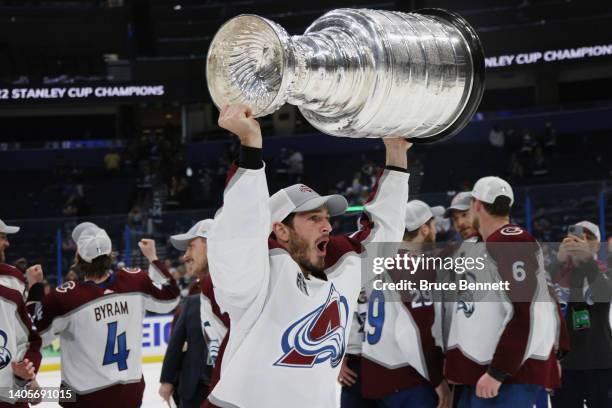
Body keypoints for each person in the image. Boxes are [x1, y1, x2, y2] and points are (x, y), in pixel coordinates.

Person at [205, 104, 410, 408]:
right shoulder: (256, 278)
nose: (327, 226)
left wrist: (396, 152)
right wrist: (250, 147)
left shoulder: (343, 266)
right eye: (313, 219)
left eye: (326, 217)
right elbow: (238, 236)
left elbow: (384, 234)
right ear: (282, 230)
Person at [445, 176, 563, 408]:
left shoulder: (509, 242)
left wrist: (498, 372)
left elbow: (527, 311)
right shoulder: (488, 245)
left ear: (477, 205)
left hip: (509, 375)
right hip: (491, 370)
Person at [33, 223, 180, 407]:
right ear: (111, 254)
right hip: (130, 394)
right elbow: (171, 297)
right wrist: (153, 257)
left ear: (78, 257)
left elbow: (32, 337)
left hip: (84, 398)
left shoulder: (64, 298)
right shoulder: (135, 281)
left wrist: (33, 290)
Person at [343, 200, 449, 408]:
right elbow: (417, 330)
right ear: (424, 229)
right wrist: (437, 379)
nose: (436, 230)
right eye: (433, 225)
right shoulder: (413, 267)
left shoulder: (374, 267)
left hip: (378, 376)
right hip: (410, 377)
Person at [159, 219, 229, 408]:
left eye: (191, 247)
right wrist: (168, 379)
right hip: (194, 391)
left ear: (212, 245)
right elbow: (177, 340)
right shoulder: (193, 295)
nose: (185, 256)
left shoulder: (239, 295)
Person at [550, 221, 612, 408]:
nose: (581, 241)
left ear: (597, 244)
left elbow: (603, 294)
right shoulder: (557, 275)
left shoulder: (605, 273)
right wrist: (558, 261)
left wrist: (587, 259)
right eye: (577, 237)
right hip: (564, 365)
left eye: (588, 238)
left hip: (600, 363)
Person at [0, 219, 42, 407]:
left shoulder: (13, 278)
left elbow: (26, 335)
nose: (7, 243)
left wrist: (27, 378)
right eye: (2, 237)